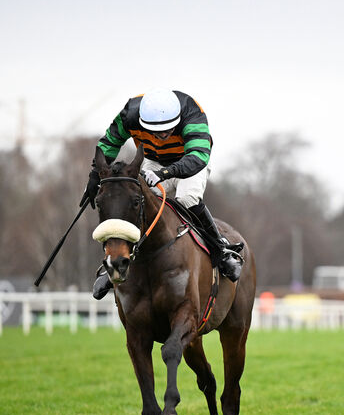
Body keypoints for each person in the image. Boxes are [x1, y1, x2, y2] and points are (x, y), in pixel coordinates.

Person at [80, 89, 243, 299]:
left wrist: (164, 173)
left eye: (166, 131)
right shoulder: (130, 114)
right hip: (153, 160)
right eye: (155, 132)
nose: (161, 137)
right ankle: (114, 266)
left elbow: (198, 156)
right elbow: (110, 142)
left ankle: (220, 250)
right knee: (137, 204)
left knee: (187, 199)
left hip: (189, 160)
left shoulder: (192, 113)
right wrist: (95, 175)